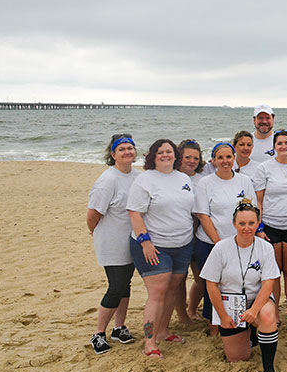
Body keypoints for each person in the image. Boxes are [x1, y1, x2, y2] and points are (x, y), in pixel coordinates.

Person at [126, 139, 196, 358]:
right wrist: (145, 242)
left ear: (176, 155)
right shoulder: (145, 180)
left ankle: (164, 330)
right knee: (157, 292)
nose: (165, 155)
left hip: (183, 243)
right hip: (155, 245)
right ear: (153, 156)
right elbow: (134, 213)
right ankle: (150, 341)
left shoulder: (184, 179)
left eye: (169, 151)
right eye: (160, 152)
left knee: (174, 289)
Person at [200, 199, 280, 372]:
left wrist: (254, 309)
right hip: (231, 303)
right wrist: (222, 315)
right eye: (242, 223)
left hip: (256, 300)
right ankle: (250, 336)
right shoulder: (221, 248)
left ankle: (269, 368)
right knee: (237, 358)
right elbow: (211, 284)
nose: (247, 228)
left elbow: (269, 283)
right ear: (234, 224)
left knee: (267, 315)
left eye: (251, 223)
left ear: (258, 223)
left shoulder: (265, 248)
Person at [188, 142, 258, 332]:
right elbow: (203, 215)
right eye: (220, 157)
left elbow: (252, 210)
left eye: (229, 157)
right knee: (213, 284)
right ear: (213, 160)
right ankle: (214, 326)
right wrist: (220, 244)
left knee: (236, 282)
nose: (225, 161)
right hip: (211, 243)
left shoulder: (244, 181)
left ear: (234, 158)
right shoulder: (205, 183)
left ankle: (239, 319)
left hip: (242, 242)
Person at [86, 134, 142, 354]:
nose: (127, 152)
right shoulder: (108, 180)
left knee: (125, 285)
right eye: (122, 149)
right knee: (116, 286)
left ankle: (119, 327)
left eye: (130, 148)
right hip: (111, 241)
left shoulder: (138, 176)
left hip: (131, 240)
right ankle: (99, 333)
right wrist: (93, 229)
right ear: (113, 154)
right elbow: (93, 214)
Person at [255, 130, 287, 327]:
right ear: (274, 146)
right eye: (280, 143)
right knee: (274, 272)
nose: (283, 146)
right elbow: (258, 201)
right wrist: (259, 227)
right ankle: (275, 313)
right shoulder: (264, 168)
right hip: (271, 226)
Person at [174, 139, 205, 325]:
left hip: (199, 234)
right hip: (178, 235)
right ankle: (182, 315)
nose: (192, 161)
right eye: (188, 157)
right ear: (180, 157)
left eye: (196, 157)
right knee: (179, 279)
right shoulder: (171, 177)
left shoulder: (202, 180)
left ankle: (192, 308)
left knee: (202, 278)